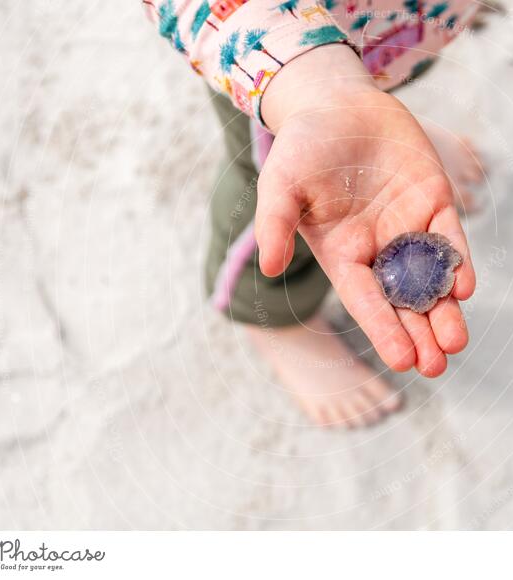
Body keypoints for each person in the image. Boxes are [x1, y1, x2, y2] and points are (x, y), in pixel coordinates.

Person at [144, 0, 484, 428]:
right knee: (282, 195)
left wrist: (355, 95)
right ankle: (271, 314)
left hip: (394, 31)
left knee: (371, 89)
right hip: (275, 67)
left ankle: (376, 129)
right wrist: (316, 91)